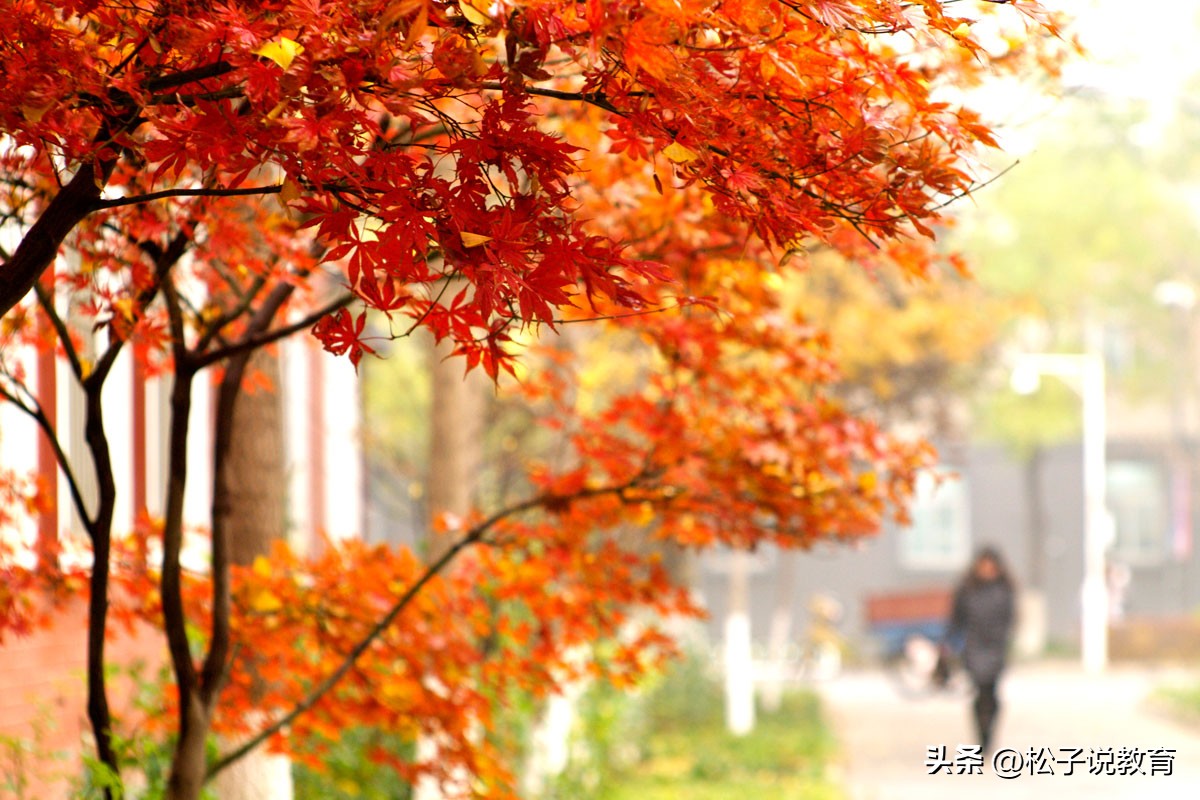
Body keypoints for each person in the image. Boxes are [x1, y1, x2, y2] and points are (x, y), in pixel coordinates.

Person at [946, 546, 1015, 756]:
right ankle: (981, 737)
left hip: (995, 647)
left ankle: (989, 734)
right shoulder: (967, 590)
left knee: (991, 693)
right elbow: (956, 619)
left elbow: (1010, 620)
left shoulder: (1004, 590)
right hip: (973, 647)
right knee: (979, 692)